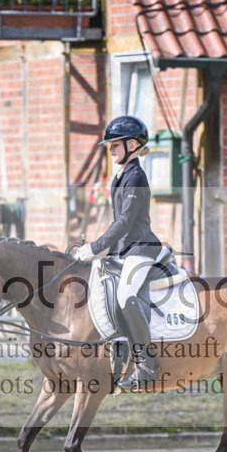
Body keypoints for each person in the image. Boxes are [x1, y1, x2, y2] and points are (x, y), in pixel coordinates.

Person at [73, 115, 170, 391]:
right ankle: (119, 353)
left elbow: (125, 222)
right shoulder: (122, 175)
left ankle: (148, 367)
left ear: (131, 144)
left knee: (127, 297)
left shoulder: (136, 176)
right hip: (123, 251)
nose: (110, 149)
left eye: (114, 145)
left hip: (140, 249)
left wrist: (94, 247)